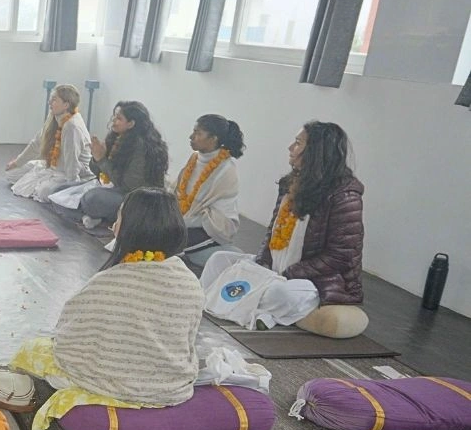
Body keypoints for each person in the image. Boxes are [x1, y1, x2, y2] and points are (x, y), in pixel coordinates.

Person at [0, 188, 203, 430]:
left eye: (119, 218)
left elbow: (66, 340)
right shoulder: (190, 282)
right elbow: (188, 342)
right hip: (169, 388)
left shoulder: (108, 282)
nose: (115, 225)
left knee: (32, 350)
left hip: (103, 384)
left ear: (129, 229)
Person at [200, 122, 367, 338]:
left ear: (316, 151)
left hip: (314, 282)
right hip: (275, 270)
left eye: (297, 143)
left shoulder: (345, 196)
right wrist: (263, 262)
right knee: (219, 260)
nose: (290, 147)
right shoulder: (291, 183)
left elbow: (340, 256)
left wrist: (288, 274)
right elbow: (272, 233)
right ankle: (210, 305)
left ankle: (258, 312)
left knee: (281, 292)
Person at [78, 102, 170, 228]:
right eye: (114, 117)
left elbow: (129, 185)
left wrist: (102, 160)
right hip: (116, 192)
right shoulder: (117, 138)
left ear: (131, 124)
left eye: (119, 118)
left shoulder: (141, 146)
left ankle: (93, 215)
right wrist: (96, 157)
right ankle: (94, 215)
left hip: (138, 201)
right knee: (62, 190)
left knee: (92, 198)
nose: (113, 121)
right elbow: (98, 173)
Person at [5, 84, 92, 201]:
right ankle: (41, 183)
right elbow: (36, 143)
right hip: (53, 167)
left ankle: (46, 186)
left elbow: (72, 161)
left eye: (54, 100)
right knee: (12, 173)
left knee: (44, 192)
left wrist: (71, 188)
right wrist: (17, 162)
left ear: (66, 105)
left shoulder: (71, 126)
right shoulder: (54, 117)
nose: (49, 102)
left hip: (71, 173)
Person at [176, 114, 245, 249]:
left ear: (213, 138)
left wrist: (181, 221)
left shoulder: (226, 169)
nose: (191, 137)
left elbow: (213, 215)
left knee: (172, 242)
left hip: (210, 227)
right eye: (193, 131)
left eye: (198, 133)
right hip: (187, 220)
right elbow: (179, 192)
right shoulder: (195, 158)